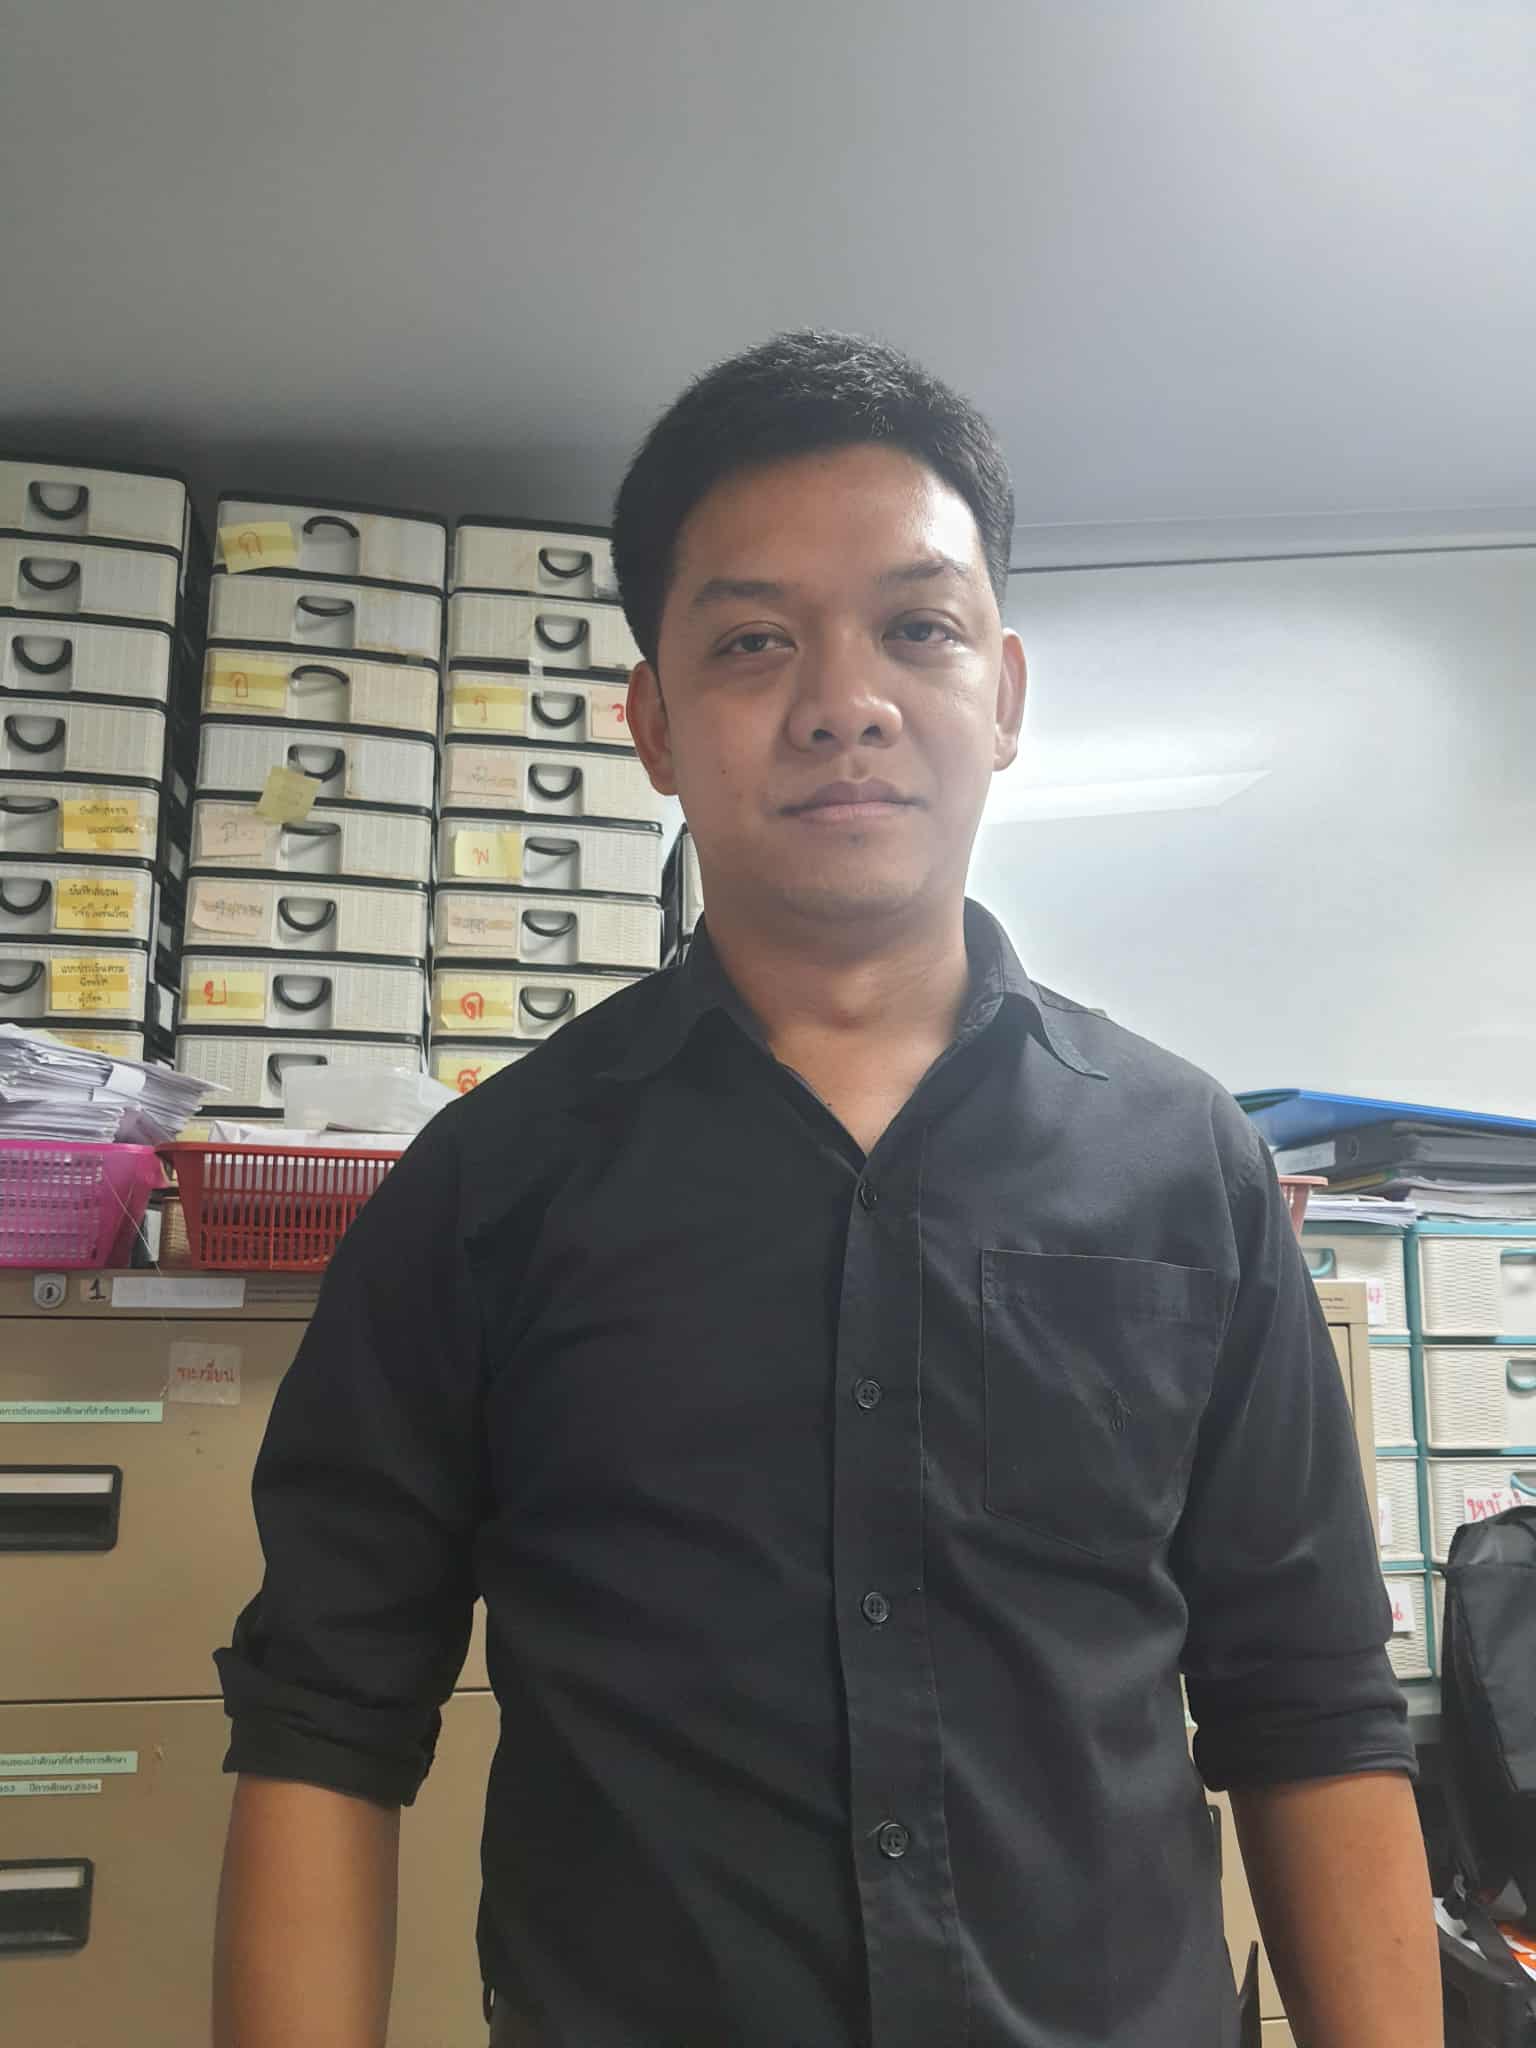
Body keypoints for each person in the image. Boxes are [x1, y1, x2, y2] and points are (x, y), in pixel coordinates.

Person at [212, 331, 1441, 2047]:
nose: (842, 700)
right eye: (751, 640)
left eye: (917, 627)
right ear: (651, 722)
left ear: (1004, 696)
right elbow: (324, 1722)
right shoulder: (490, 1188)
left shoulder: (1189, 1170)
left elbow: (1308, 1707)